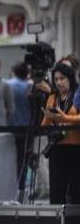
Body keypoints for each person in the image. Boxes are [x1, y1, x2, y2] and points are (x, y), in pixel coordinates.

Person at [40, 63, 80, 204]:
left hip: (76, 149)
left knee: (77, 190)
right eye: (56, 79)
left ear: (70, 78)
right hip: (57, 148)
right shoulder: (52, 97)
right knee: (56, 190)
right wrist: (49, 116)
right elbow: (44, 126)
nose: (59, 82)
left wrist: (64, 118)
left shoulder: (77, 94)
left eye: (62, 78)